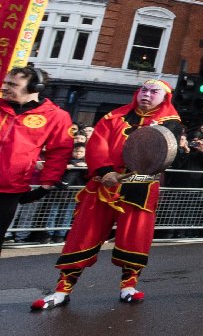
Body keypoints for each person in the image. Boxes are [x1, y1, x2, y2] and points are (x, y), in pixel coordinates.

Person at [31, 80, 181, 309]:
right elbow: (97, 145)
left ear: (165, 97)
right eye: (143, 89)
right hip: (104, 185)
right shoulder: (114, 117)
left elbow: (161, 154)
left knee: (135, 239)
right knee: (83, 236)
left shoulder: (171, 123)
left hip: (140, 188)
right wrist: (104, 171)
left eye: (154, 91)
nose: (147, 94)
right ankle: (62, 289)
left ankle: (128, 286)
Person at [0, 64, 73, 254]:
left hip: (8, 189)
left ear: (35, 88)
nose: (4, 87)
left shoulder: (57, 116)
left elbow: (59, 152)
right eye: (5, 82)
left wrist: (46, 185)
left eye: (12, 84)